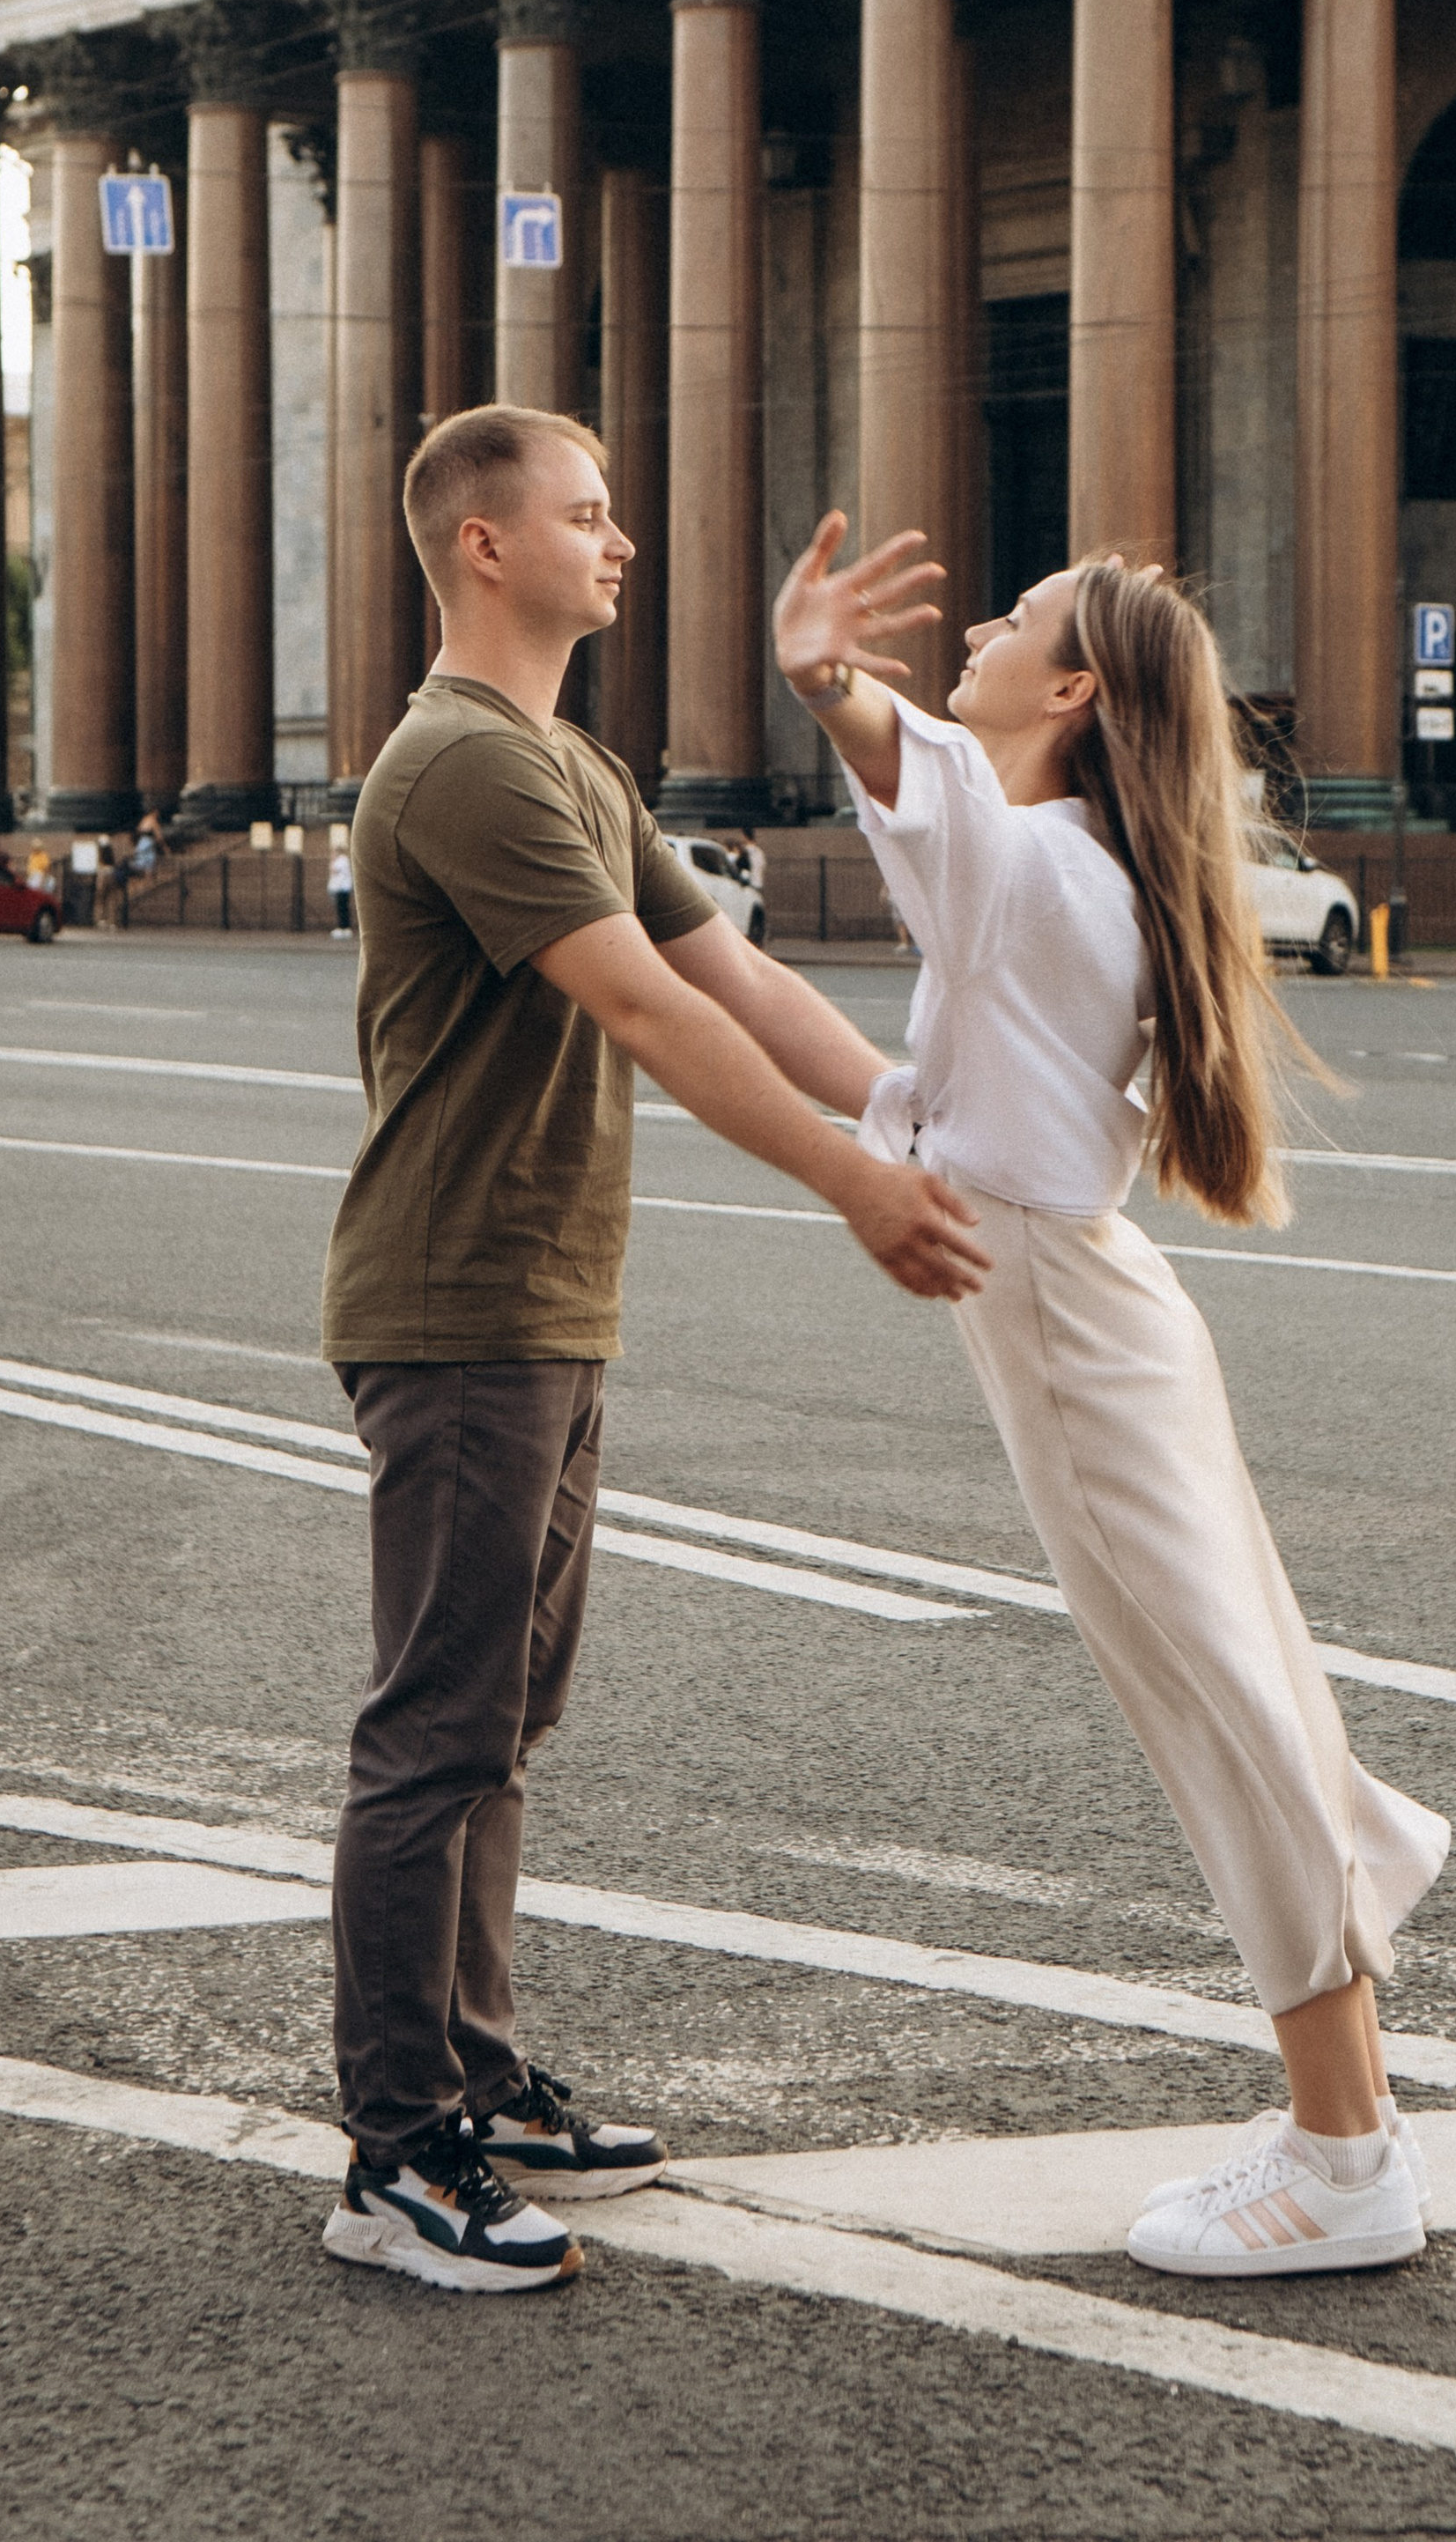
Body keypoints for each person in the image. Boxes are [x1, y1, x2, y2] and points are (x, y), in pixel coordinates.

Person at [318, 409, 986, 2299]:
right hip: (456, 1302)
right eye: (587, 516)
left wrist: (931, 1117)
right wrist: (856, 1187)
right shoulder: (461, 763)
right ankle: (392, 2147)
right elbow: (635, 1010)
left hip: (540, 1298)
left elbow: (741, 984)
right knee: (432, 1727)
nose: (622, 544)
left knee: (501, 1722)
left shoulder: (573, 764)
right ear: (480, 546)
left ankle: (474, 2068)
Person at [772, 515, 1449, 2280]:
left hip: (1070, 1327)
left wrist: (824, 675)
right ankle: (1345, 2124)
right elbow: (927, 1072)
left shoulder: (1035, 864)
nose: (981, 630)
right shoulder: (1062, 864)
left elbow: (911, 788)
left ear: (1066, 693)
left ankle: (1342, 2153)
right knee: (1246, 1697)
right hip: (1090, 1310)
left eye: (1014, 620)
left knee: (1219, 1712)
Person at [326, 832, 353, 939]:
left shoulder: (342, 860)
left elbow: (334, 870)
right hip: (342, 887)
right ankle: (343, 927)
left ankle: (344, 927)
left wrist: (332, 860)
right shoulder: (342, 860)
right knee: (342, 908)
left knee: (342, 908)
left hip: (342, 888)